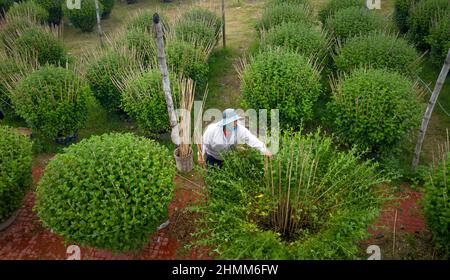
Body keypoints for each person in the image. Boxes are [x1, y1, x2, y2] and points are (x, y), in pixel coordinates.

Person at [199, 108, 272, 168]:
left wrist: (264, 150)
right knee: (212, 178)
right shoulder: (212, 130)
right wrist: (201, 155)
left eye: (235, 120)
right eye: (232, 121)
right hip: (213, 157)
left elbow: (250, 138)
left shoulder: (239, 129)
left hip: (228, 158)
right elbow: (204, 143)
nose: (235, 123)